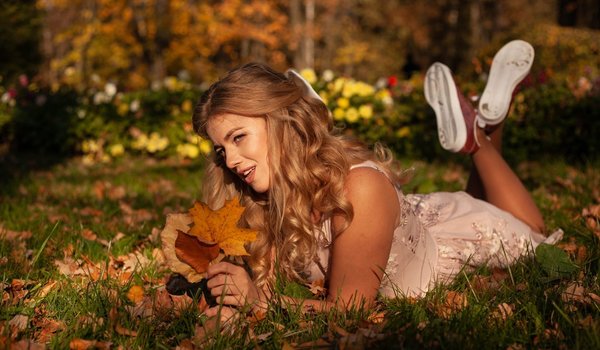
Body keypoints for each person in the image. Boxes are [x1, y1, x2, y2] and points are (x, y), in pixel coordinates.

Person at [190, 40, 562, 321]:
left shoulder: (360, 188)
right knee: (481, 196)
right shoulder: (266, 198)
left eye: (238, 138)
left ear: (281, 122)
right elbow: (261, 286)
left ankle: (477, 140)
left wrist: (261, 303)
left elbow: (350, 310)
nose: (231, 161)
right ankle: (485, 124)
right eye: (222, 149)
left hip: (465, 238)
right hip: (422, 224)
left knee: (535, 234)